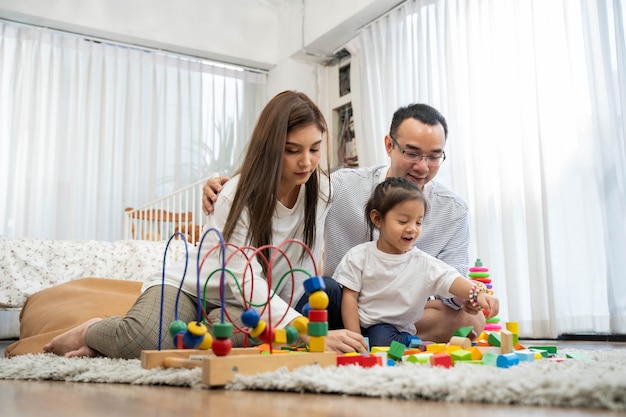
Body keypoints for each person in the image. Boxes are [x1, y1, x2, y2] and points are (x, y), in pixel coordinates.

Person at [43, 90, 368, 359]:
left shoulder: (322, 190)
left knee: (243, 341)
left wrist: (295, 329)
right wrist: (303, 330)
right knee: (145, 339)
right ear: (271, 149)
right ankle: (93, 329)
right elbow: (242, 279)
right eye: (292, 151)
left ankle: (192, 329)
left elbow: (301, 269)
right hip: (191, 287)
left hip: (242, 304)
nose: (307, 162)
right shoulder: (233, 196)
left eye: (315, 148)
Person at [203, 103, 484, 343]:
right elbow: (290, 183)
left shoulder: (454, 211)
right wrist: (226, 184)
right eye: (412, 153)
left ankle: (381, 336)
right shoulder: (340, 187)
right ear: (389, 145)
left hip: (397, 316)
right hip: (336, 305)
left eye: (434, 156)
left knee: (474, 320)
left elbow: (453, 285)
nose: (423, 166)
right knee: (322, 290)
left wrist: (471, 296)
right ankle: (358, 336)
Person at [335, 177, 499, 347]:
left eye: (418, 222)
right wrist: (354, 338)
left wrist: (479, 294)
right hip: (357, 321)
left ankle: (411, 343)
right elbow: (349, 298)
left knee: (380, 338)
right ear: (378, 219)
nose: (412, 228)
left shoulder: (424, 263)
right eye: (403, 221)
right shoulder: (359, 255)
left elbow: (451, 279)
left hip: (387, 329)